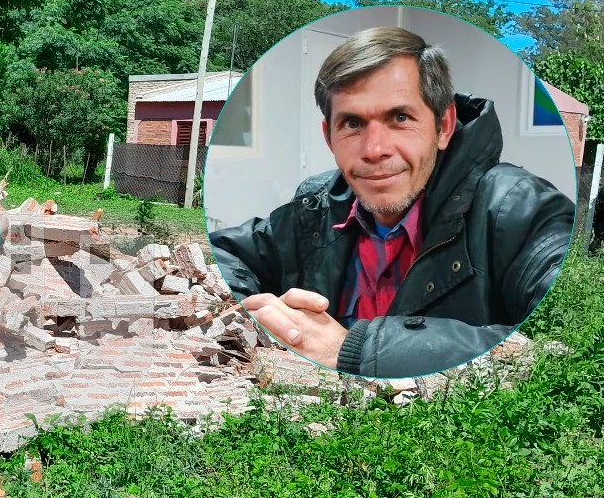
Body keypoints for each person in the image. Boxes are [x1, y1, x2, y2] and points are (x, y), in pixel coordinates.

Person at [209, 27, 574, 377]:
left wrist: (352, 350)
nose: (374, 151)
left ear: (443, 126)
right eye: (352, 124)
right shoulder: (318, 203)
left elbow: (559, 345)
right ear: (329, 137)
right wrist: (255, 313)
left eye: (400, 118)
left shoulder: (522, 210)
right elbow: (229, 254)